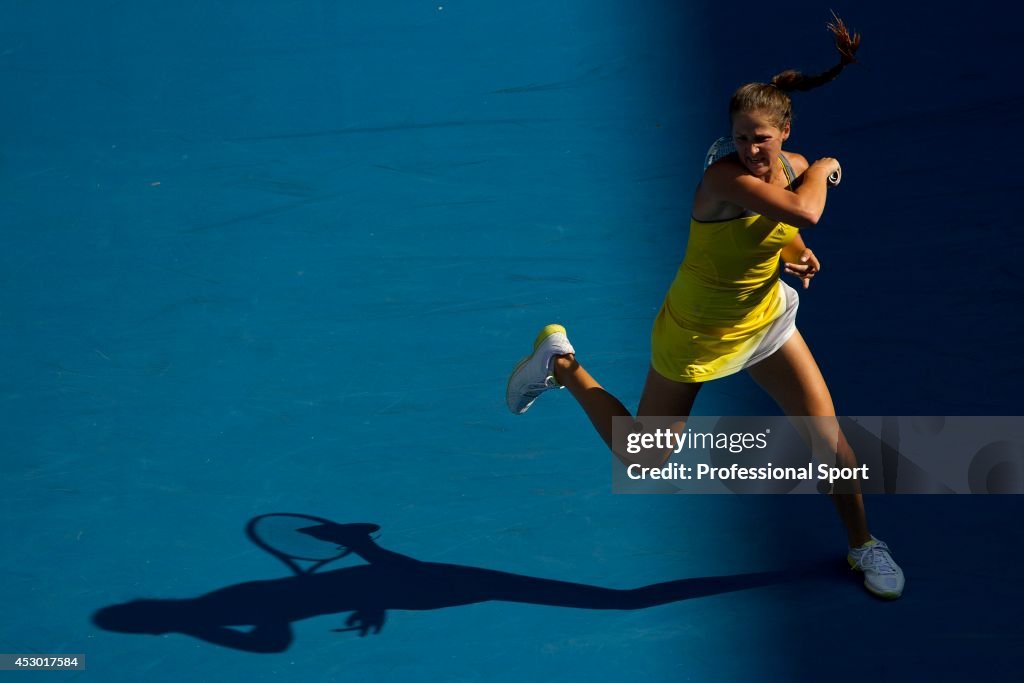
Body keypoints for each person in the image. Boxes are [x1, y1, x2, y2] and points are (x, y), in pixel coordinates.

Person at [505, 16, 904, 600]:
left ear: (784, 131)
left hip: (764, 321)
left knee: (829, 441)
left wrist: (796, 254)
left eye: (761, 138)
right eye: (741, 136)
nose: (749, 148)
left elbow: (787, 227)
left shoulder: (788, 170)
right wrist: (823, 169)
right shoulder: (724, 179)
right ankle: (562, 364)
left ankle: (864, 545)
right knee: (644, 460)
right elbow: (805, 210)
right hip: (695, 332)